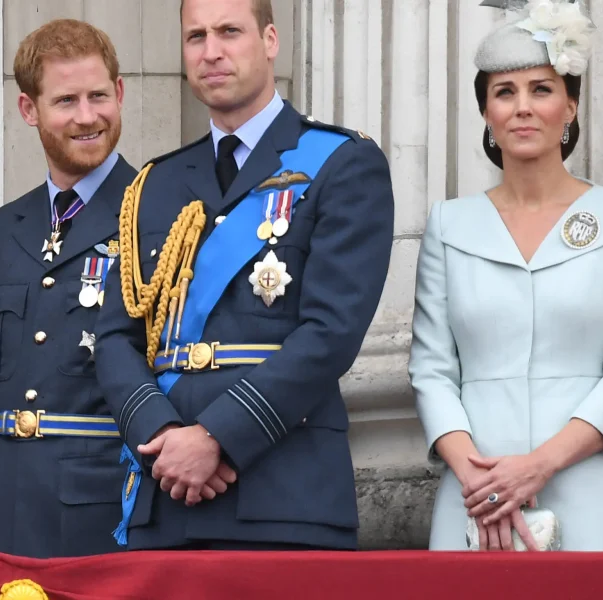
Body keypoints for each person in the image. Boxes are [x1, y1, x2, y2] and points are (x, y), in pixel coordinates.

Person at [93, 0, 394, 551]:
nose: (211, 52)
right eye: (196, 37)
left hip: (284, 497)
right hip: (166, 495)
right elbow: (115, 336)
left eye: (229, 32)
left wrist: (217, 436)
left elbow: (331, 333)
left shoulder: (342, 163)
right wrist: (160, 434)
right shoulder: (155, 184)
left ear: (270, 40)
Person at [409, 0, 603, 551]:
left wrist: (539, 465)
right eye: (505, 92)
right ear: (487, 112)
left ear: (570, 106)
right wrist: (478, 477)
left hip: (588, 489)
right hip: (474, 495)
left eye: (541, 89)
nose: (522, 107)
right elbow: (431, 370)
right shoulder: (449, 224)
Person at [0, 19, 137, 558]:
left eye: (98, 96)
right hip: (1, 513)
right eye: (66, 100)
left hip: (106, 519)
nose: (87, 117)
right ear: (29, 109)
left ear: (120, 93)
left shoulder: (159, 215)